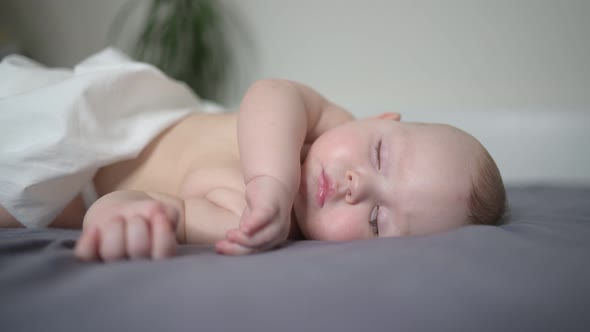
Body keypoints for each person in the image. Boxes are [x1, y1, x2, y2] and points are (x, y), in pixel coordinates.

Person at [0, 68, 507, 260]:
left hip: (77, 185)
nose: (357, 185)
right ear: (381, 118)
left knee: (20, 198)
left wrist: (129, 215)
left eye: (376, 221)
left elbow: (167, 208)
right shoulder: (324, 121)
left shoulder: (250, 222)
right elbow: (269, 93)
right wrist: (272, 179)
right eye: (379, 154)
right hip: (113, 115)